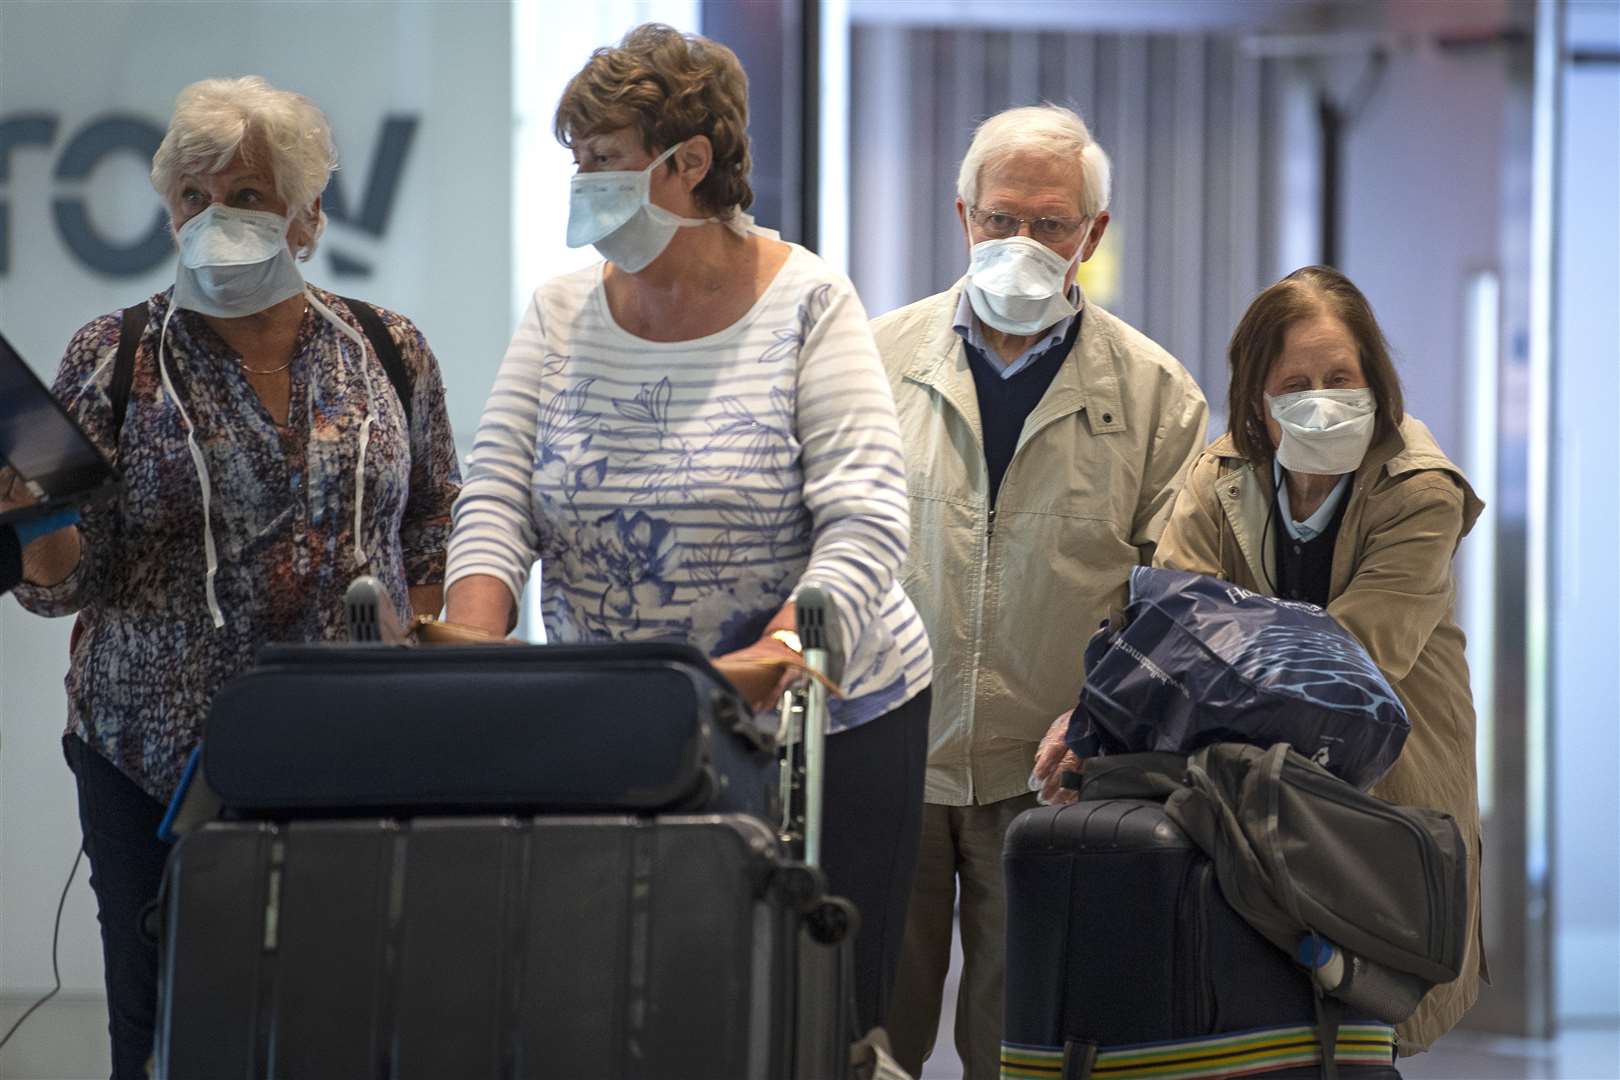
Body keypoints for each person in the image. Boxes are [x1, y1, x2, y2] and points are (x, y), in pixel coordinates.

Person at [443, 24, 932, 1039]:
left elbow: (867, 517)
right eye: (576, 162)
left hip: (825, 720)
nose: (584, 186)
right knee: (619, 1006)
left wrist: (781, 653)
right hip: (620, 716)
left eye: (604, 163)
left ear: (690, 162)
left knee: (811, 1016)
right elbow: (497, 498)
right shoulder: (560, 311)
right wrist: (475, 644)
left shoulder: (806, 302)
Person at [9, 76, 461, 1078]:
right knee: (163, 1035)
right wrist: (31, 515)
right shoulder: (115, 355)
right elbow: (60, 587)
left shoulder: (387, 349)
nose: (216, 220)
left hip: (354, 756)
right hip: (151, 762)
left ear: (306, 219)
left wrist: (413, 649)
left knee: (352, 1028)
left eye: (248, 197)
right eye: (193, 198)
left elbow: (433, 518)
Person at [1039, 264, 1485, 1054]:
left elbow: (1342, 673)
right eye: (1296, 382)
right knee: (1245, 1028)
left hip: (1379, 797)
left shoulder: (1421, 492)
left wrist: (1212, 656)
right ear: (1257, 401)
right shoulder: (1220, 477)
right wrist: (1089, 720)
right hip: (1246, 802)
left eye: (1341, 377)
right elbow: (1163, 632)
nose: (1323, 398)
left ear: (1375, 383)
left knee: (1352, 1029)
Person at [873, 104, 1208, 1079]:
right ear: (962, 217)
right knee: (863, 1037)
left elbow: (1178, 601)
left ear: (1091, 236)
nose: (1021, 243)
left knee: (1027, 1049)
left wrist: (1101, 716)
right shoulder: (870, 361)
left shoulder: (1156, 396)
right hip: (896, 758)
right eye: (1001, 218)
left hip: (1057, 781)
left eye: (1050, 224)